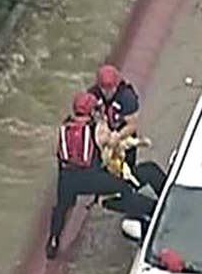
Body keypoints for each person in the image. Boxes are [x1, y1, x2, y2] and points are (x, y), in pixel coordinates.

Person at [46, 92, 156, 260]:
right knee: (123, 187)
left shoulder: (64, 128)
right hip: (90, 178)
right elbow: (115, 142)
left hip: (67, 178)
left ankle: (53, 241)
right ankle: (142, 215)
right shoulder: (97, 130)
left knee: (61, 207)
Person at [88, 64, 140, 169]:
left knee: (125, 169)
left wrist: (118, 136)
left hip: (123, 139)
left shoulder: (127, 97)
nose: (108, 92)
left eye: (111, 88)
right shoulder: (93, 95)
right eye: (104, 89)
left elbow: (133, 124)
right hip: (102, 140)